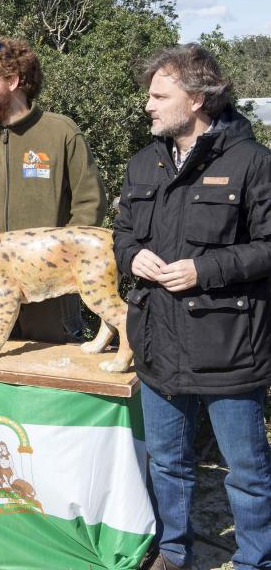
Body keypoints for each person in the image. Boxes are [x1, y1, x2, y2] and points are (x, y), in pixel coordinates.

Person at [113, 44, 271, 570]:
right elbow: (123, 234)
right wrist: (132, 257)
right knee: (168, 462)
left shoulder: (252, 163)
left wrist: (206, 270)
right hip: (159, 343)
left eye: (160, 95)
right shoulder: (144, 163)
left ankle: (255, 560)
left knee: (247, 472)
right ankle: (173, 552)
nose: (148, 106)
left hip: (230, 349)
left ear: (198, 98)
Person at [0, 38, 106, 343]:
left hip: (54, 297)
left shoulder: (62, 132)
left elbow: (89, 204)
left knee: (55, 383)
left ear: (12, 81)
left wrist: (63, 261)